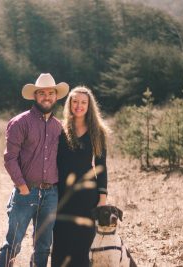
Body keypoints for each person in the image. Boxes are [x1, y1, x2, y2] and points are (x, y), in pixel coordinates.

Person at [0, 73, 69, 267]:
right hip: (25, 192)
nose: (47, 97)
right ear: (35, 96)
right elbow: (9, 158)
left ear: (56, 96)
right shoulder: (20, 122)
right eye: (42, 93)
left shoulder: (58, 127)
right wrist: (22, 187)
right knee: (12, 245)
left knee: (44, 246)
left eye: (51, 93)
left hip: (51, 194)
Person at [51, 86, 109, 267]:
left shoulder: (97, 131)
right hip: (62, 194)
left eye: (83, 102)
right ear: (69, 104)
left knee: (83, 244)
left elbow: (101, 166)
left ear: (89, 106)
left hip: (87, 196)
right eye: (75, 101)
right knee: (60, 243)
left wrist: (102, 198)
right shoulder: (59, 129)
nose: (79, 105)